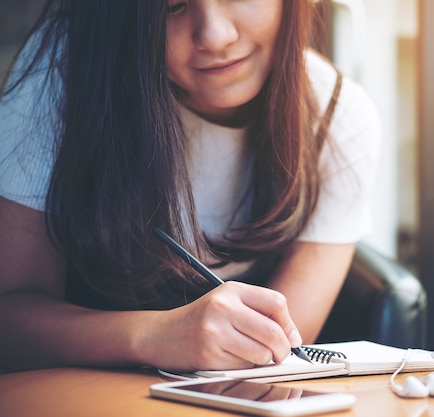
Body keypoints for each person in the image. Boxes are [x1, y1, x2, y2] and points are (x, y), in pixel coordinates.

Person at [0, 0, 380, 372]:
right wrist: (154, 336)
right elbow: (10, 323)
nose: (215, 36)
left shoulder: (339, 118)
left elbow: (276, 350)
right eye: (171, 7)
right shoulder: (65, 70)